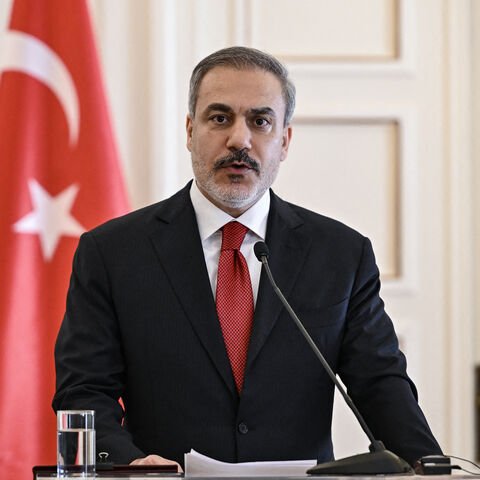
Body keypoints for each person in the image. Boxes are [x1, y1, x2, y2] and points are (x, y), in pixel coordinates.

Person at [53, 46, 442, 470]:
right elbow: (84, 393)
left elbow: (380, 384)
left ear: (285, 140)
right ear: (189, 131)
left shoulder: (342, 255)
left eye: (260, 121)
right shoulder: (112, 253)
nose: (239, 140)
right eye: (219, 118)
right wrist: (131, 464)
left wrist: (431, 467)